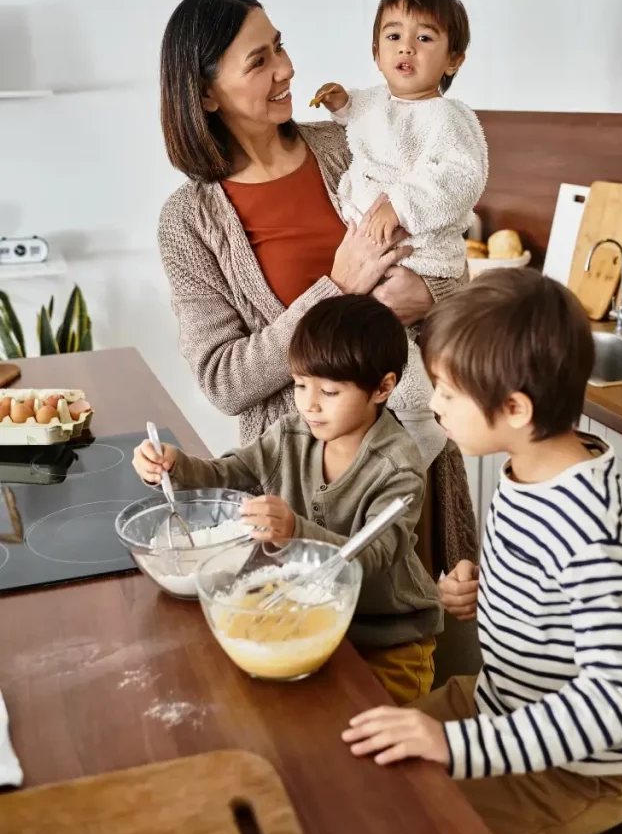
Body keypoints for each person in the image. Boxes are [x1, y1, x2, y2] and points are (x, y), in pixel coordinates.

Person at [157, 0, 478, 578]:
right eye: (259, 61)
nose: (286, 68)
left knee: (429, 653)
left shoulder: (346, 143)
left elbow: (444, 253)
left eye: (279, 46)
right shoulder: (189, 220)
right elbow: (224, 379)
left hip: (412, 462)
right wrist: (337, 287)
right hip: (301, 498)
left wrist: (435, 293)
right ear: (204, 93)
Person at [342, 269, 622, 834]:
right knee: (355, 761)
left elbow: (616, 700)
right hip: (503, 701)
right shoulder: (531, 469)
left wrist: (452, 747)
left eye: (446, 390)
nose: (433, 404)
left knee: (392, 827)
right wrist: (491, 589)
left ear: (514, 406)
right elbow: (572, 593)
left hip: (580, 772)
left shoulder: (589, 529)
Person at [133, 294, 442, 705]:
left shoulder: (398, 467)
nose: (309, 403)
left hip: (388, 640)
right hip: (312, 619)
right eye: (300, 385)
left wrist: (296, 530)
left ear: (383, 387)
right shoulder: (293, 433)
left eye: (329, 391)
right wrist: (174, 467)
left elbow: (373, 554)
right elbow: (230, 474)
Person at [313, 0, 488, 412]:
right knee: (382, 359)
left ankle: (418, 428)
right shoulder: (375, 101)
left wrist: (400, 204)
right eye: (393, 37)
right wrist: (339, 103)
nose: (405, 48)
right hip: (374, 263)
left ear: (454, 60)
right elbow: (360, 113)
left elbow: (462, 176)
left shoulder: (447, 117)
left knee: (411, 369)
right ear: (376, 54)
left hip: (418, 254)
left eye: (424, 38)